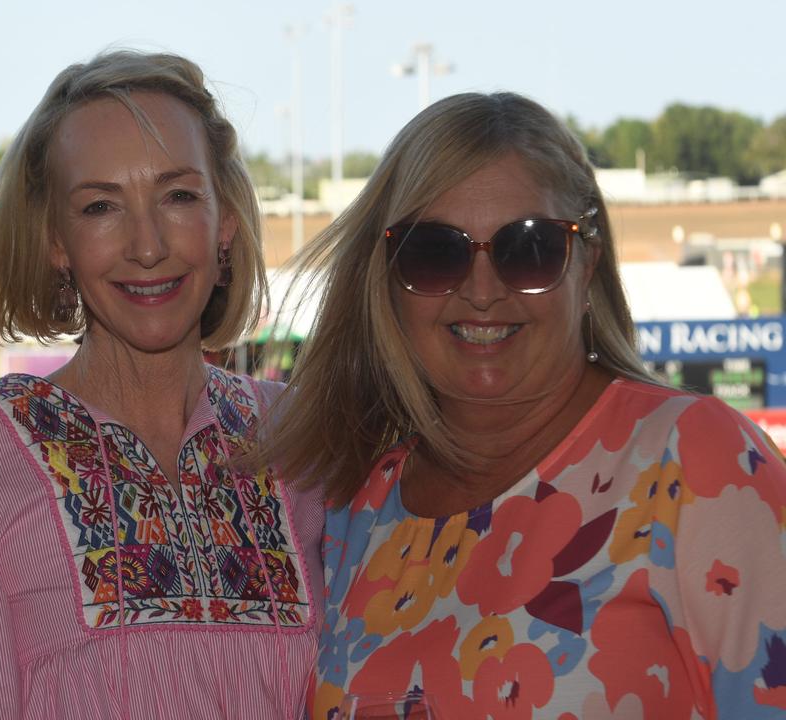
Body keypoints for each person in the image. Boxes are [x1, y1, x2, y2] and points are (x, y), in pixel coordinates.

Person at [269, 92, 786, 717]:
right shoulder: (359, 507)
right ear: (386, 279)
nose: (482, 291)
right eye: (435, 252)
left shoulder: (695, 463)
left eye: (530, 248)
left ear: (586, 262)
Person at [0, 50, 323, 719]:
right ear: (56, 240)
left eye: (178, 196)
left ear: (223, 221)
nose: (147, 245)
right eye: (101, 206)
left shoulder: (303, 440)